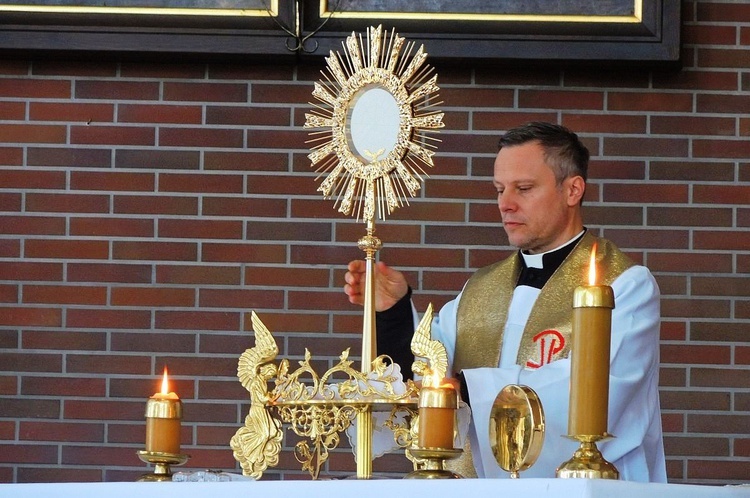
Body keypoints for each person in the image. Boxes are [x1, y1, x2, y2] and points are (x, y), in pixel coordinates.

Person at [344, 122, 666, 482]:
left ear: (573, 189)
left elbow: (594, 392)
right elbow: (422, 376)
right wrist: (394, 313)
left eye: (523, 189)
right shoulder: (478, 290)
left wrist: (466, 389)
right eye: (499, 189)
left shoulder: (625, 286)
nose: (505, 204)